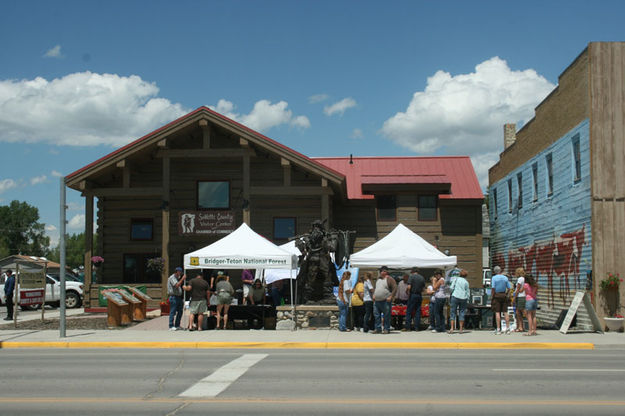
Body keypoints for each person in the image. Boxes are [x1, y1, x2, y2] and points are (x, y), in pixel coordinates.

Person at [373, 266, 397, 334]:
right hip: (377, 301)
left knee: (386, 316)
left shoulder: (390, 279)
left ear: (387, 272)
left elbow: (395, 288)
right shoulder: (378, 279)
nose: (382, 272)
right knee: (376, 315)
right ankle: (378, 328)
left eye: (384, 271)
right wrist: (374, 295)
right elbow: (376, 288)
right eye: (382, 271)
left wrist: (391, 297)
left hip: (385, 301)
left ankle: (386, 329)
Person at [491, 265, 512, 335]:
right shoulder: (505, 278)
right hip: (504, 295)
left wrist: (492, 295)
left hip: (497, 295)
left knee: (497, 312)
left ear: (495, 271)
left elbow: (493, 288)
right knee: (505, 312)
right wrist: (507, 294)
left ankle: (498, 329)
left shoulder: (494, 278)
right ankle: (508, 328)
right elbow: (509, 288)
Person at [403, 267, 425, 332]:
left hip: (413, 295)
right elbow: (423, 289)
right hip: (419, 295)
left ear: (413, 271)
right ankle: (417, 327)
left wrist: (406, 291)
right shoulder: (422, 277)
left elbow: (409, 287)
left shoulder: (411, 277)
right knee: (418, 311)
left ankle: (408, 327)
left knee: (409, 311)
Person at [449, 269, 470, 334]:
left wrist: (451, 293)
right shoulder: (466, 282)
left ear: (460, 274)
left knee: (453, 312)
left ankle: (452, 328)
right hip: (463, 297)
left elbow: (451, 288)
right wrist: (468, 299)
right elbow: (467, 291)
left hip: (455, 296)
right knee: (462, 312)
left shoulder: (456, 279)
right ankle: (461, 329)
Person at [512, 267, 526, 332]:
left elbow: (517, 289)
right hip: (522, 296)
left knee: (519, 312)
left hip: (520, 297)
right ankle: (520, 326)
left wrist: (514, 298)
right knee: (518, 312)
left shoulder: (520, 279)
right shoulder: (524, 279)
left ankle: (521, 326)